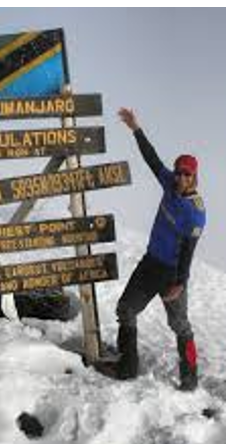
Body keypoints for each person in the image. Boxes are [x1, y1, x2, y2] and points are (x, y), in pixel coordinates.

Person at [97, 108, 206, 391]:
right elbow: (151, 158)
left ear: (194, 177)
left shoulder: (195, 213)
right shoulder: (169, 184)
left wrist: (180, 284)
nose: (180, 177)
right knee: (126, 309)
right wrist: (136, 129)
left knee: (180, 326)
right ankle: (127, 367)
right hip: (150, 264)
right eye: (179, 171)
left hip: (172, 273)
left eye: (186, 174)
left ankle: (190, 377)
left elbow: (188, 253)